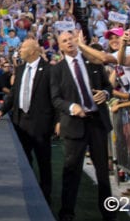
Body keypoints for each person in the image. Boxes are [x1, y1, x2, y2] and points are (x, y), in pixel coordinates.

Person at [50, 30, 115, 221]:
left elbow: (108, 86)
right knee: (71, 170)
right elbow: (55, 99)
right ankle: (67, 213)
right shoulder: (57, 70)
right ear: (59, 46)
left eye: (71, 39)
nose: (69, 42)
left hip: (97, 122)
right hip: (74, 124)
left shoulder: (93, 63)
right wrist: (71, 107)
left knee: (102, 171)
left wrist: (106, 94)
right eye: (64, 41)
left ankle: (108, 212)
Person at [0, 38, 55, 203]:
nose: (20, 50)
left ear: (33, 50)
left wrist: (57, 121)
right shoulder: (20, 68)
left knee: (44, 162)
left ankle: (46, 196)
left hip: (41, 124)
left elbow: (55, 97)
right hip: (21, 122)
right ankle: (28, 191)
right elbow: (13, 93)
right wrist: (2, 109)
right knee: (24, 161)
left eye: (23, 47)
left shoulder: (48, 70)